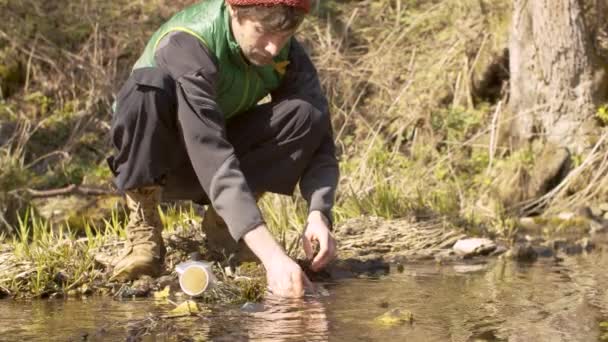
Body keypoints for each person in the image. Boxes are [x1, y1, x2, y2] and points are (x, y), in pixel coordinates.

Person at [105, 0, 339, 298]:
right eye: (262, 32)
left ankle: (224, 226)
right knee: (146, 87)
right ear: (234, 12)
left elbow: (320, 137)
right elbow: (209, 149)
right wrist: (271, 256)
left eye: (284, 36)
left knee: (306, 113)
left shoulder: (287, 52)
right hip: (164, 162)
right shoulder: (187, 43)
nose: (272, 48)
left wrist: (319, 212)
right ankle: (144, 228)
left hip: (224, 159)